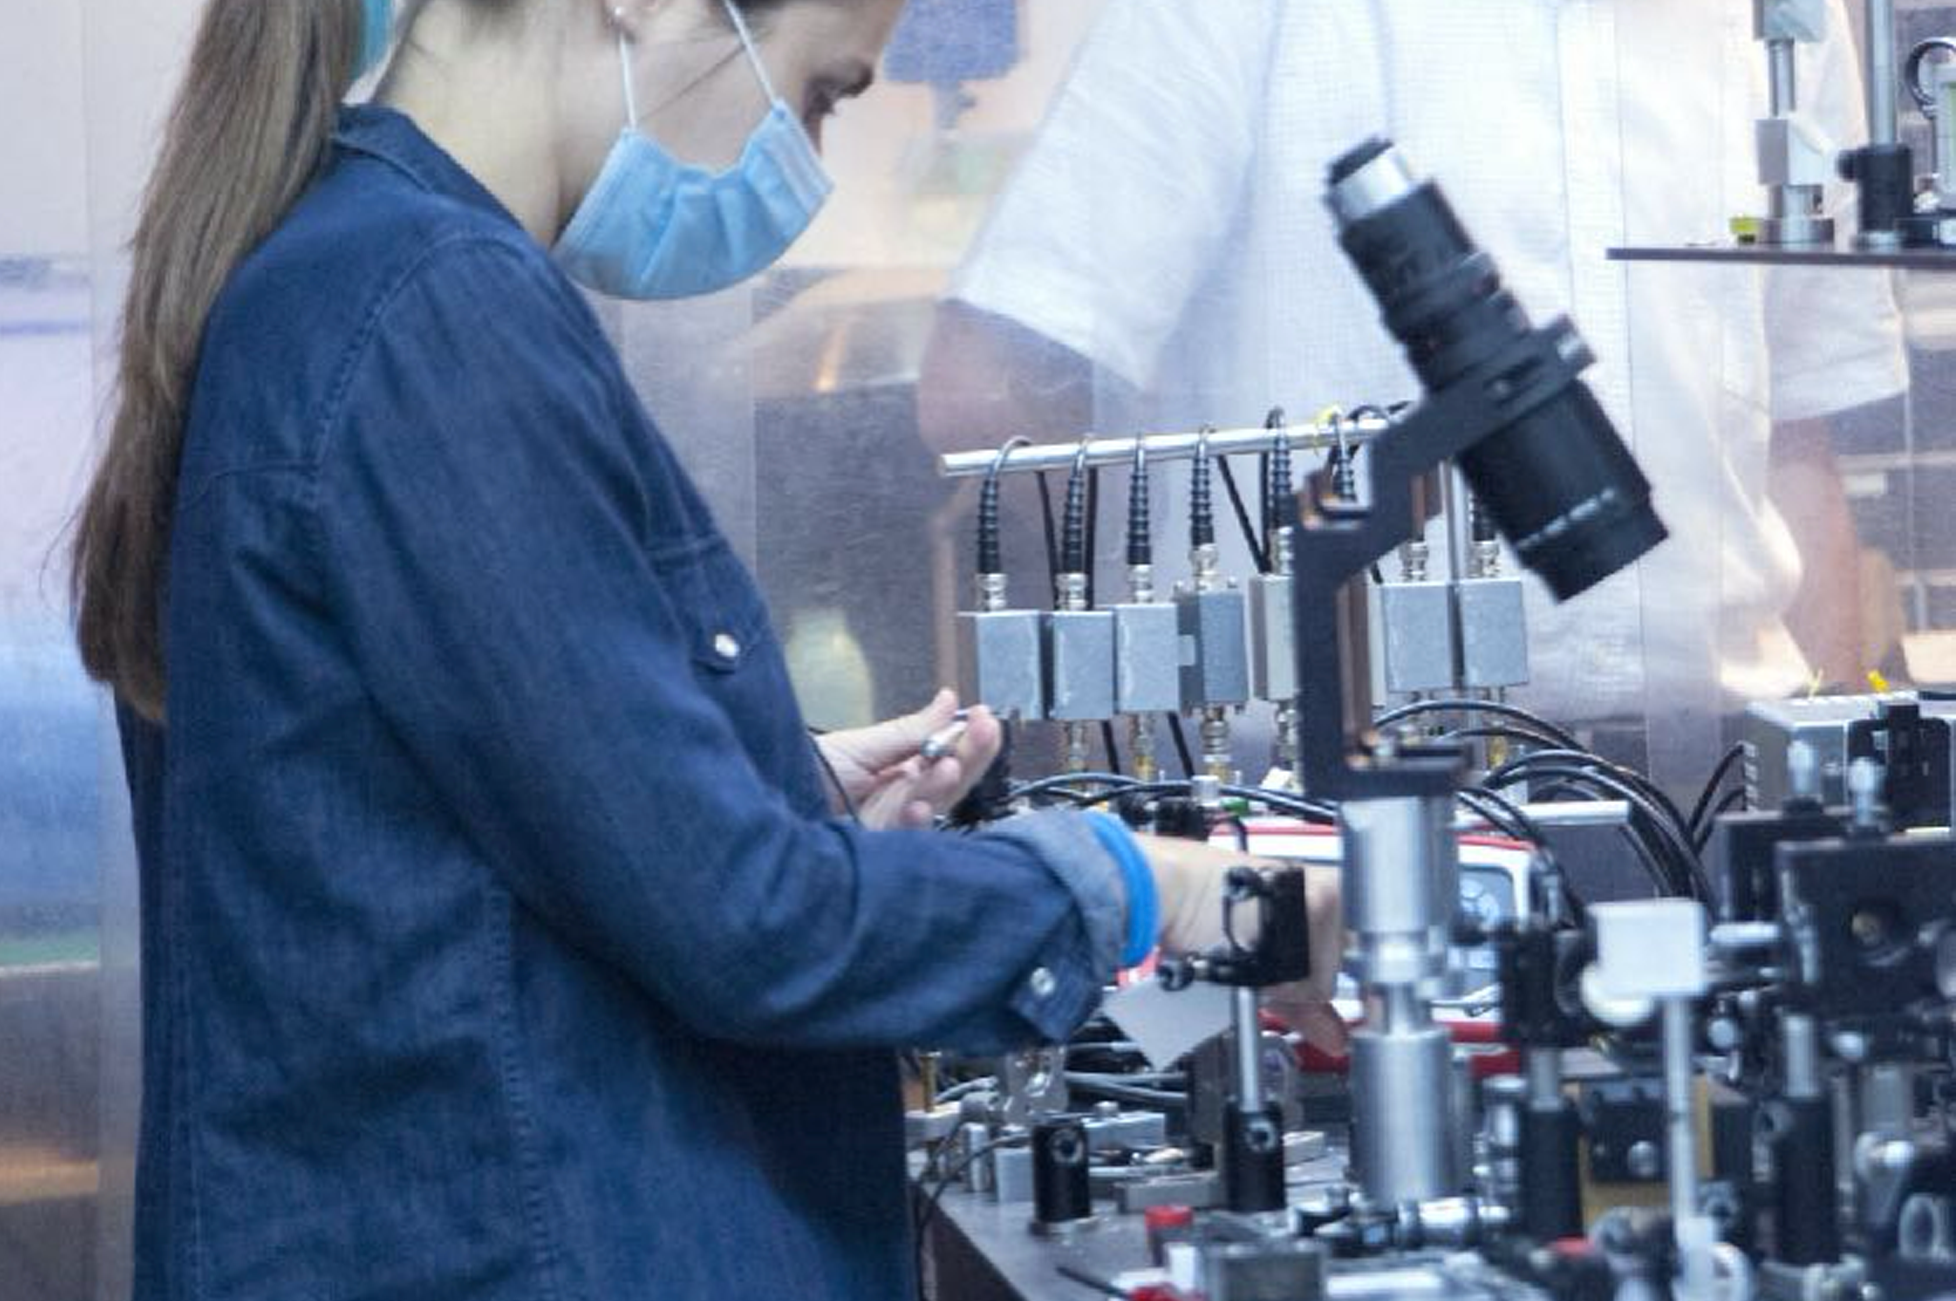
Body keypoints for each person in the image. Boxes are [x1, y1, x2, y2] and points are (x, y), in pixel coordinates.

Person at [65, 0, 1341, 1295]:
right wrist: (1159, 890)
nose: (809, 158)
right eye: (824, 93)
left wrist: (772, 781)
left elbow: (439, 808)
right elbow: (746, 922)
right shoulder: (433, 316)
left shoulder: (347, 277)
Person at [921, 0, 1907, 772]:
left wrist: (1834, 759)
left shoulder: (1781, 18)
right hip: (1325, 769)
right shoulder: (1239, 11)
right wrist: (1142, 761)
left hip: (1715, 749)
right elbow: (989, 387)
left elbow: (1794, 435)